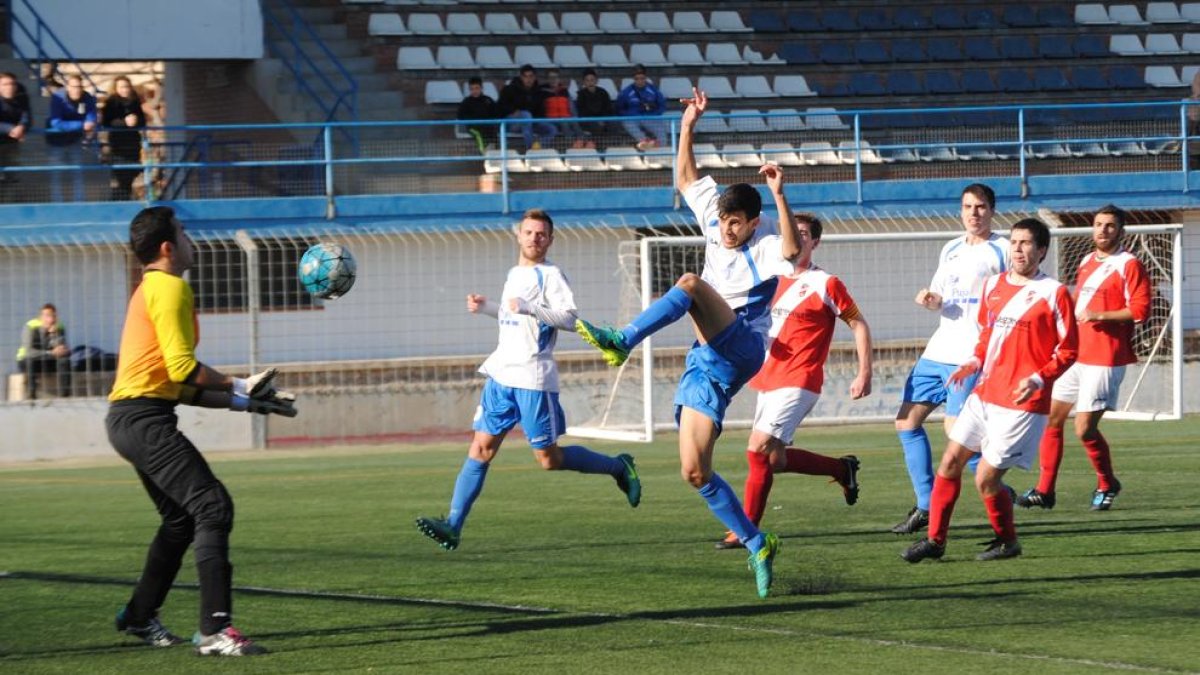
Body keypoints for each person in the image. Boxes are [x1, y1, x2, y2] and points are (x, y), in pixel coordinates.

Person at [575, 89, 800, 598]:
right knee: (695, 471)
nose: (724, 229)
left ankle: (622, 340)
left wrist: (781, 194)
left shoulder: (764, 245)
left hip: (743, 346)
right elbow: (684, 178)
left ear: (753, 222)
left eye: (734, 222)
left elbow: (791, 250)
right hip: (707, 364)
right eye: (721, 220)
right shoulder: (716, 219)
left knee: (690, 284)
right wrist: (688, 124)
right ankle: (757, 543)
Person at [107, 206, 296, 656]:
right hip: (142, 419)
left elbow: (174, 384)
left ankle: (138, 615)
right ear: (169, 248)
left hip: (134, 417)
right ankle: (215, 631)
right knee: (212, 506)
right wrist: (240, 383)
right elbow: (184, 370)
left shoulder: (155, 288)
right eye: (185, 233)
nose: (193, 240)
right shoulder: (169, 288)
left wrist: (244, 401)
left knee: (181, 520)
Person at [415, 209, 642, 551]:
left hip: (533, 378)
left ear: (550, 240)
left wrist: (530, 307)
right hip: (500, 375)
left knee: (548, 460)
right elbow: (513, 314)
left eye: (541, 234)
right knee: (480, 449)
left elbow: (569, 319)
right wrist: (488, 307)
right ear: (518, 236)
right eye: (529, 232)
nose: (534, 238)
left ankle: (618, 467)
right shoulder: (514, 272)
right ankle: (453, 525)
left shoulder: (551, 275)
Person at [902, 218, 1078, 563]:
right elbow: (987, 337)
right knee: (950, 462)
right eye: (1014, 242)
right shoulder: (993, 286)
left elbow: (1069, 350)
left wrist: (1039, 379)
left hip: (1022, 403)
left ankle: (1007, 540)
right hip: (984, 394)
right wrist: (972, 362)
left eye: (1026, 243)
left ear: (1042, 251)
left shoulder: (1053, 293)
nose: (1018, 249)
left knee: (985, 478)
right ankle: (935, 541)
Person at [714, 213, 873, 550]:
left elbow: (858, 323)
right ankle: (842, 469)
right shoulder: (770, 278)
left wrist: (865, 372)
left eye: (804, 235)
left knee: (756, 449)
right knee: (774, 460)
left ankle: (747, 530)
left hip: (801, 379)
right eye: (793, 234)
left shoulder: (826, 283)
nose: (797, 240)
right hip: (768, 376)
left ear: (815, 242)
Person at [891, 184, 1010, 535]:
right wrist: (930, 300)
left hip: (971, 354)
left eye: (981, 206)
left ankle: (995, 485)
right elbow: (941, 297)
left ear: (991, 210)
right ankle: (925, 505)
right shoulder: (952, 248)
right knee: (906, 422)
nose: (974, 213)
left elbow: (1010, 295)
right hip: (938, 349)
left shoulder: (1002, 249)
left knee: (956, 432)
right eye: (968, 206)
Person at [1017, 205, 1150, 512]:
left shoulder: (1129, 264)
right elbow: (1079, 305)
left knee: (1084, 429)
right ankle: (1045, 491)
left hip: (1106, 357)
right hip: (1078, 354)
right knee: (1052, 418)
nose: (1103, 230)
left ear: (1121, 231)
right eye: (1099, 224)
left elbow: (1141, 311)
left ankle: (1107, 483)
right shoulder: (1088, 260)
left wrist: (1099, 315)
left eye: (1110, 226)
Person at [45, 74, 97, 202]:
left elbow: (91, 116)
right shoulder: (58, 98)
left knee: (78, 171)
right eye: (74, 87)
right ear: (68, 87)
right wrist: (81, 125)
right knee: (56, 173)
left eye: (79, 86)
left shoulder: (87, 97)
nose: (77, 90)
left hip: (75, 140)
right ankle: (56, 202)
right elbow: (56, 122)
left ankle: (79, 201)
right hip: (56, 141)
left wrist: (90, 122)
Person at [101, 76, 147, 201]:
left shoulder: (135, 102)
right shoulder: (111, 102)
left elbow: (143, 121)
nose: (125, 90)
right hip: (118, 146)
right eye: (121, 87)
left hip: (133, 145)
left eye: (127, 86)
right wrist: (124, 122)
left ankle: (123, 201)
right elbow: (107, 122)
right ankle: (117, 203)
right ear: (115, 89)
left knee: (130, 176)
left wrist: (136, 121)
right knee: (121, 177)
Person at [15, 302, 70, 399]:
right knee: (30, 361)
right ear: (41, 317)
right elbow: (29, 352)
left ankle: (65, 395)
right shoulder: (31, 327)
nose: (50, 319)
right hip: (29, 360)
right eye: (47, 316)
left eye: (53, 316)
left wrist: (53, 335)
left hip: (48, 360)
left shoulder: (59, 327)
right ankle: (31, 395)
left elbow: (61, 350)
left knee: (64, 361)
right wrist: (50, 352)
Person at [497, 64, 555, 152]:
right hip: (512, 123)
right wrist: (513, 111)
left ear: (535, 77)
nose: (528, 79)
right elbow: (500, 106)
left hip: (530, 122)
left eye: (531, 76)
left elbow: (540, 112)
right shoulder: (509, 89)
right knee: (526, 115)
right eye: (525, 76)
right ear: (521, 77)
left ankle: (537, 147)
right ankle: (530, 150)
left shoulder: (538, 92)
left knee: (551, 129)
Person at [616, 65, 667, 151]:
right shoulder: (626, 92)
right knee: (627, 123)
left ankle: (660, 150)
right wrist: (629, 114)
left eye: (642, 78)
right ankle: (646, 142)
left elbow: (662, 105)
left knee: (661, 131)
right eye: (637, 79)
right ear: (634, 79)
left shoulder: (653, 90)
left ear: (646, 78)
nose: (640, 81)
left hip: (649, 117)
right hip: (632, 118)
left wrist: (654, 114)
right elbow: (619, 108)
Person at [541, 69, 588, 148]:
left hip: (566, 117)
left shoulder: (564, 91)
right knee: (564, 123)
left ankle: (584, 144)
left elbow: (571, 106)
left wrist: (574, 117)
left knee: (575, 123)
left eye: (555, 77)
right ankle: (571, 146)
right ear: (547, 79)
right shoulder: (543, 92)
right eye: (550, 78)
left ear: (559, 79)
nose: (553, 80)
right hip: (552, 119)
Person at [0, 72, 30, 185]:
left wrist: (21, 126)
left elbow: (26, 115)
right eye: (5, 84)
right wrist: (11, 129)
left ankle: (10, 200)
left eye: (12, 84)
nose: (10, 87)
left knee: (12, 177)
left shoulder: (21, 94)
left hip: (12, 142)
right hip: (8, 134)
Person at [457, 76, 500, 155]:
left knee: (494, 133)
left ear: (481, 88)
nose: (474, 91)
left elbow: (496, 113)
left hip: (488, 126)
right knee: (479, 134)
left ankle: (494, 153)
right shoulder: (466, 102)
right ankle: (484, 153)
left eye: (476, 88)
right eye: (472, 89)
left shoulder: (488, 100)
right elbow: (460, 116)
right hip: (473, 127)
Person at [575, 68, 615, 149]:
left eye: (592, 80)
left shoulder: (603, 92)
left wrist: (603, 120)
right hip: (588, 121)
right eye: (587, 80)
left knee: (614, 124)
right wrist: (596, 120)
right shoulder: (581, 95)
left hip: (603, 119)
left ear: (596, 81)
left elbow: (608, 109)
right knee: (596, 127)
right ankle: (596, 147)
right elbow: (582, 112)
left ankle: (612, 148)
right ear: (584, 82)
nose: (590, 83)